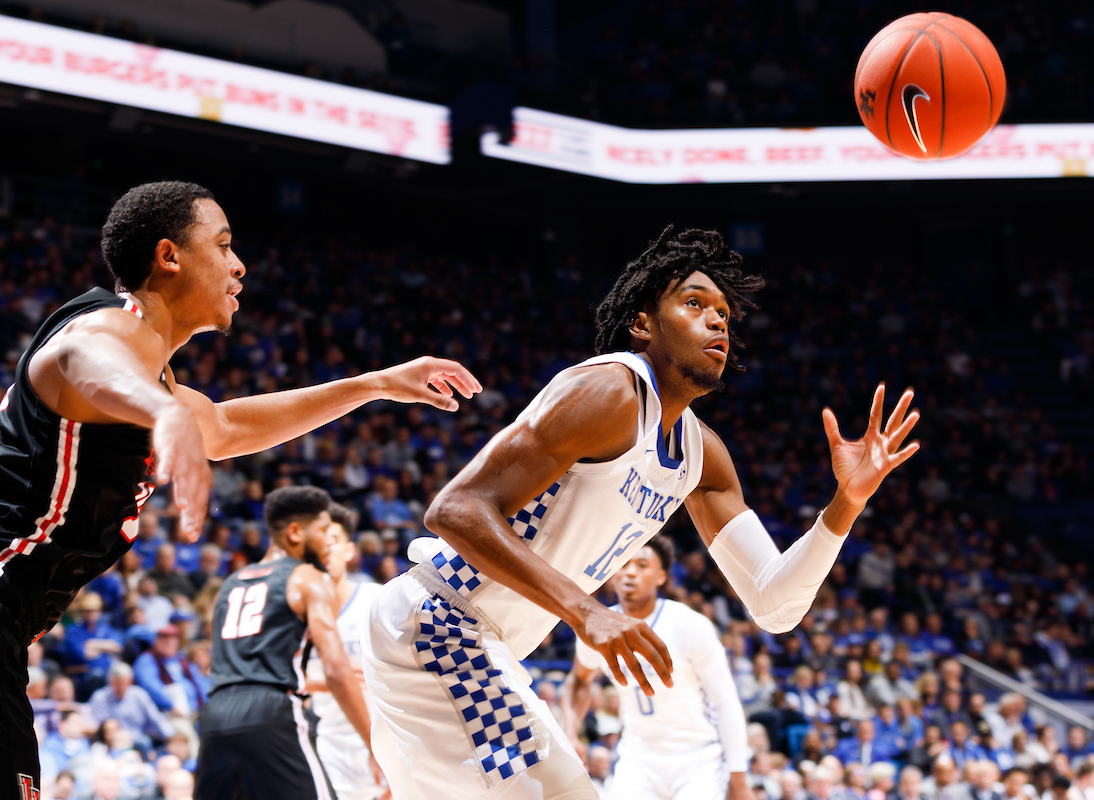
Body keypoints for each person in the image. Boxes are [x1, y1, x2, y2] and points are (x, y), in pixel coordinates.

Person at [0, 180, 481, 799]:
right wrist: (160, 412)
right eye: (224, 244)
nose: (239, 265)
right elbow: (80, 359)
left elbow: (229, 426)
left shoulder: (153, 375)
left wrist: (376, 383)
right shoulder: (109, 326)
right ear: (169, 256)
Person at [364, 226, 920, 799]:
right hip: (441, 623)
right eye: (695, 303)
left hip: (476, 640)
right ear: (642, 323)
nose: (718, 321)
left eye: (725, 312)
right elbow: (455, 510)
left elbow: (774, 604)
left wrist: (846, 503)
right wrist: (587, 612)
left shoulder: (701, 455)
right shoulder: (611, 391)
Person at [195, 486, 381, 799]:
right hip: (271, 712)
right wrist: (374, 745)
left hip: (215, 715)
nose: (326, 541)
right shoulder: (308, 577)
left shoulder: (230, 584)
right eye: (323, 531)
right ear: (295, 533)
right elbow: (337, 673)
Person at [561, 536, 750, 800]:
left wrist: (738, 777)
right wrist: (570, 732)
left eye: (641, 565)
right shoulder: (597, 628)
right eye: (623, 564)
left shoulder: (690, 625)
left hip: (696, 757)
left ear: (661, 577)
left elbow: (725, 701)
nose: (630, 572)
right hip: (637, 756)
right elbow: (579, 680)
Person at [306, 503, 386, 800]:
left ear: (350, 551)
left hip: (389, 738)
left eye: (333, 541)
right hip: (332, 746)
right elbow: (286, 681)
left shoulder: (376, 600)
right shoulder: (298, 616)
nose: (325, 550)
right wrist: (333, 681)